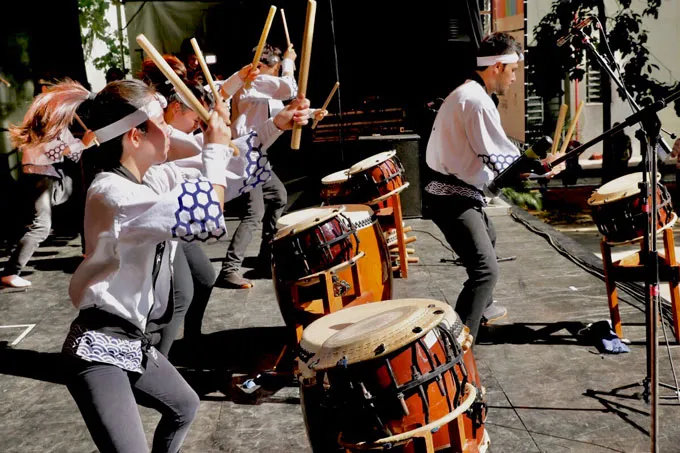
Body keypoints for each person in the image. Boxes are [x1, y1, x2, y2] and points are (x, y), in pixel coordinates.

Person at [12, 78, 311, 452]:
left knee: (183, 405)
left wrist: (276, 124)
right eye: (160, 123)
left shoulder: (151, 179)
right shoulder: (114, 194)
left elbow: (227, 173)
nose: (169, 130)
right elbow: (206, 210)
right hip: (97, 348)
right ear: (134, 136)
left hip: (132, 342)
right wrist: (215, 150)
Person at [424, 32, 562, 342]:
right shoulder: (476, 102)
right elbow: (505, 166)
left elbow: (500, 148)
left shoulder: (468, 94)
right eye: (513, 71)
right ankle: (456, 342)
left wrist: (540, 162)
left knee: (490, 235)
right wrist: (542, 169)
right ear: (498, 66)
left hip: (454, 193)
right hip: (452, 198)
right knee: (485, 271)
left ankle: (482, 308)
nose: (515, 78)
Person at [218, 43, 326, 288]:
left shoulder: (264, 91)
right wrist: (289, 61)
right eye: (276, 69)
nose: (278, 75)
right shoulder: (250, 83)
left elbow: (283, 110)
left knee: (278, 196)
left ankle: (266, 258)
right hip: (241, 155)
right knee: (254, 212)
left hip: (256, 154)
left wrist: (313, 113)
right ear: (262, 66)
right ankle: (229, 269)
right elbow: (289, 89)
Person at [1, 80, 96, 288]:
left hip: (50, 177)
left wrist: (85, 143)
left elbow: (72, 154)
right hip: (39, 179)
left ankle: (87, 248)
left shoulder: (57, 124)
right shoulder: (44, 120)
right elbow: (53, 153)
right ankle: (11, 272)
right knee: (41, 227)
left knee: (79, 197)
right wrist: (83, 143)